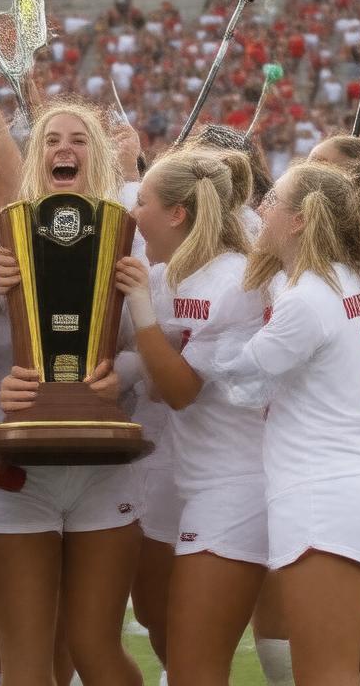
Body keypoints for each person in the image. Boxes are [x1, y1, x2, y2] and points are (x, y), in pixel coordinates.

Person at [213, 159, 360, 686]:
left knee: (323, 672)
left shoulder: (307, 299)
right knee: (342, 656)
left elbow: (239, 381)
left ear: (298, 221)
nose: (260, 209)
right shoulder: (346, 278)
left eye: (272, 201)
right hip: (344, 482)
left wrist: (197, 336)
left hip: (322, 491)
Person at [0, 102, 143, 686]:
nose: (64, 149)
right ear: (38, 156)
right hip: (22, 469)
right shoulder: (1, 239)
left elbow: (155, 345)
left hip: (104, 466)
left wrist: (122, 374)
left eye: (78, 139)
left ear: (96, 154)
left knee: (94, 652)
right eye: (52, 139)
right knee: (25, 665)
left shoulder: (131, 232)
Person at [115, 149, 267, 685]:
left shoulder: (238, 281)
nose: (134, 214)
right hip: (187, 474)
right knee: (162, 625)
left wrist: (140, 310)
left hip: (238, 481)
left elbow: (179, 390)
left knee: (207, 663)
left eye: (144, 202)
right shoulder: (166, 277)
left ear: (177, 214)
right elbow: (158, 386)